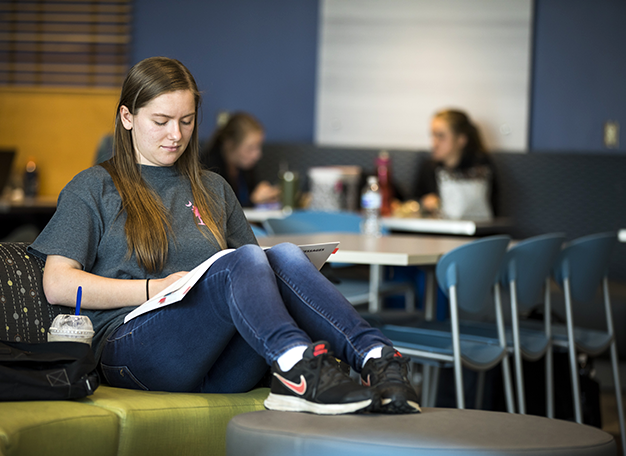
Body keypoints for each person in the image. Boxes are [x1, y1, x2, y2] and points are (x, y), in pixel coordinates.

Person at [28, 56, 419, 416]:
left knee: (280, 256)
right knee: (248, 259)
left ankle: (378, 359)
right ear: (127, 117)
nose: (175, 135)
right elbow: (57, 283)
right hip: (133, 349)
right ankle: (296, 366)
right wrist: (155, 289)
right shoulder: (94, 186)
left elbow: (257, 273)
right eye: (161, 121)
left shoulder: (213, 188)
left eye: (186, 120)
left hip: (219, 361)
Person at [414, 109, 498, 220]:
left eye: (441, 136)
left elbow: (495, 206)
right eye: (432, 135)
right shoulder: (428, 167)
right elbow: (413, 200)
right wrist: (424, 203)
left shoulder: (482, 165)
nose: (434, 143)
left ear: (461, 139)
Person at [202, 112, 279, 207]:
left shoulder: (246, 166)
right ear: (230, 145)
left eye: (259, 147)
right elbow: (219, 210)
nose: (258, 155)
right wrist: (253, 201)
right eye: (250, 148)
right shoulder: (207, 170)